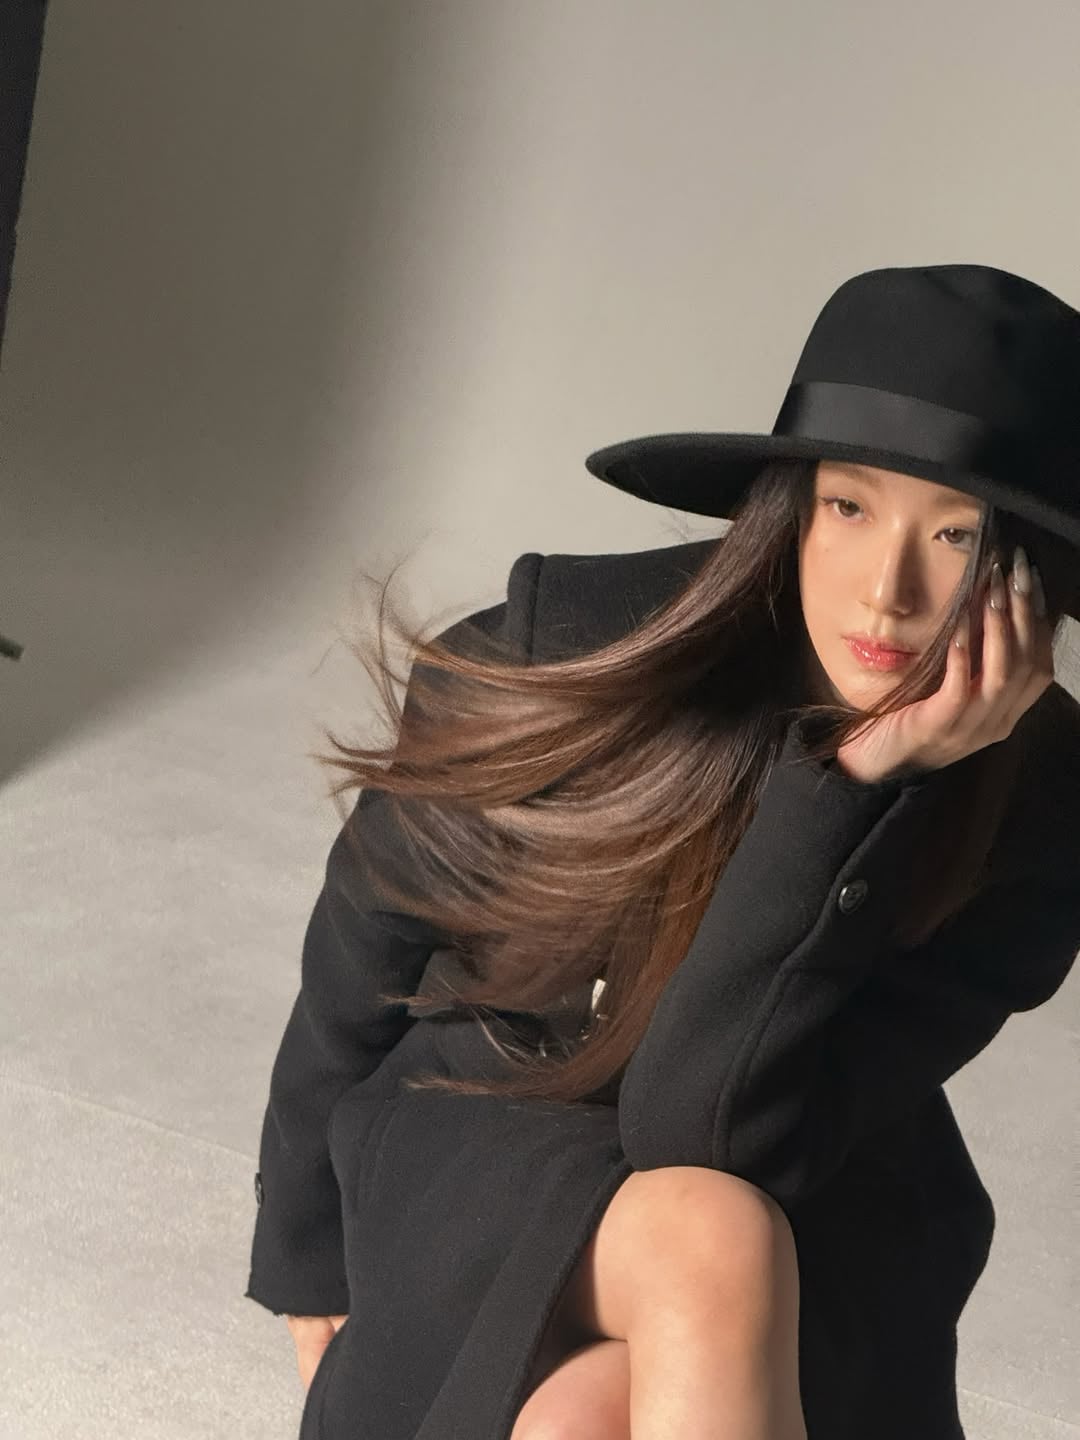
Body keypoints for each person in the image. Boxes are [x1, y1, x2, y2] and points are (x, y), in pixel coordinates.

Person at [246, 264, 1080, 1440]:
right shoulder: (569, 644)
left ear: (1030, 575)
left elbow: (707, 1131)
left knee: (592, 1406)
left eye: (954, 532)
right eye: (849, 508)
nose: (888, 592)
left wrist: (857, 788)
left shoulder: (1044, 807)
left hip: (799, 1161)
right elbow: (360, 953)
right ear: (791, 506)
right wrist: (303, 1255)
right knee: (707, 1236)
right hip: (498, 1127)